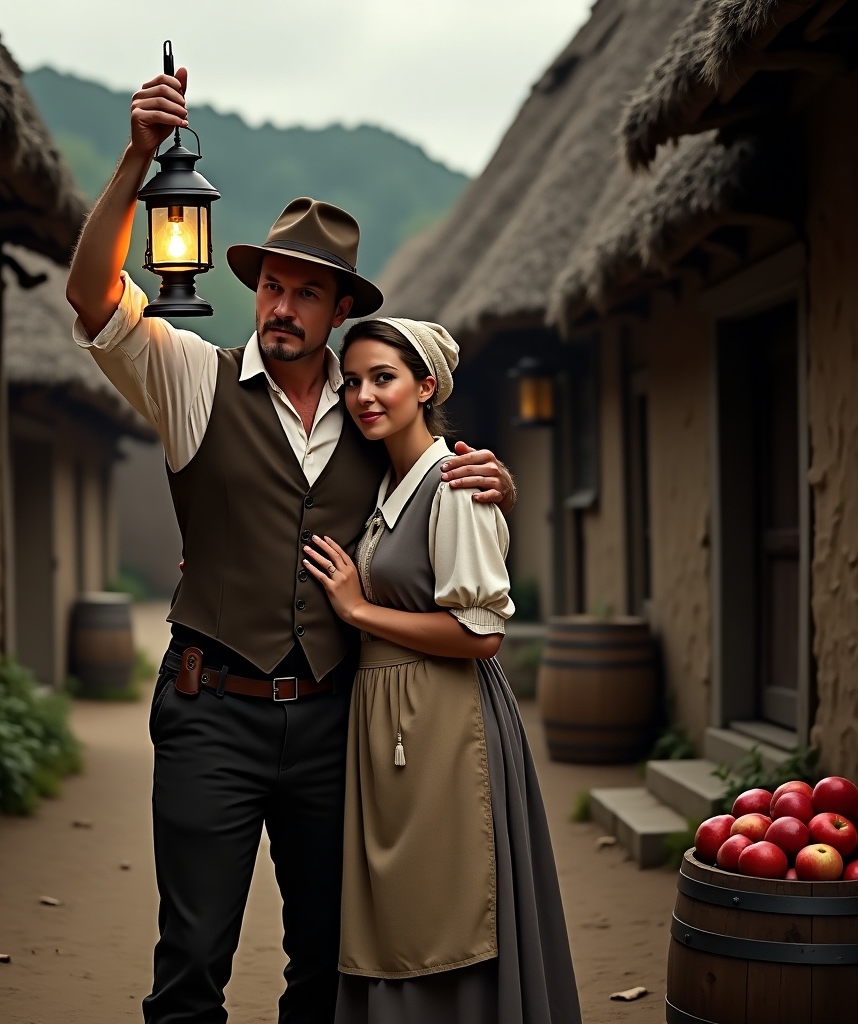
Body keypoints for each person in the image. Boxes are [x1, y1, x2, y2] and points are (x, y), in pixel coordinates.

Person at [65, 68, 516, 1024]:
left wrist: (495, 480)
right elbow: (92, 296)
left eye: (306, 294)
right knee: (191, 957)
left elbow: (441, 474)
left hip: (331, 719)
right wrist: (138, 157)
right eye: (272, 285)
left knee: (325, 958)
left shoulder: (372, 418)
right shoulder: (194, 379)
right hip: (210, 709)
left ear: (335, 311)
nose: (282, 307)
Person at [302, 317, 582, 1024]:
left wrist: (359, 612)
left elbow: (480, 633)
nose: (365, 395)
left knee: (444, 908)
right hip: (387, 716)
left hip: (445, 720)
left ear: (426, 386)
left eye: (384, 378)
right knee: (397, 912)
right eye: (355, 381)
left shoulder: (456, 482)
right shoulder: (379, 482)